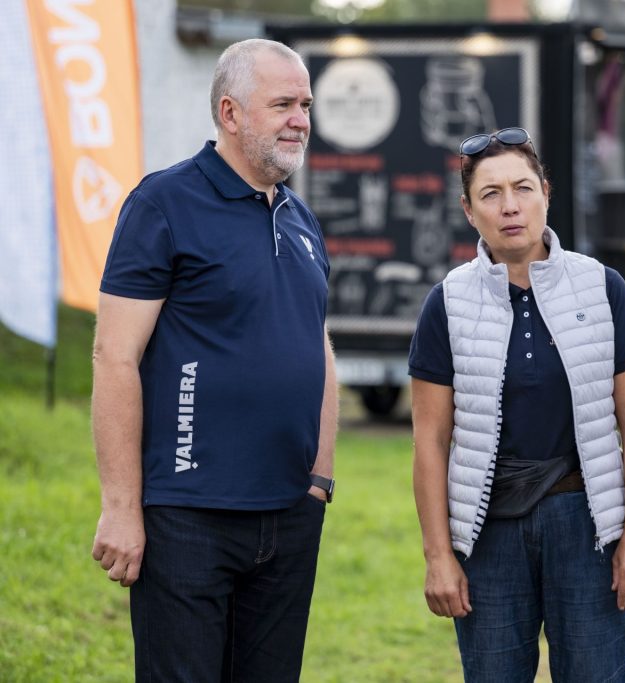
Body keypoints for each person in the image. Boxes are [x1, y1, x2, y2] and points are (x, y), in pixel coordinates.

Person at [90, 39, 337, 682]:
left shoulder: (302, 220)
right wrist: (122, 506)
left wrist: (318, 481)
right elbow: (114, 357)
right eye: (282, 104)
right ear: (230, 112)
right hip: (187, 516)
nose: (300, 120)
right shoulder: (163, 204)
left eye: (306, 105)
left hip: (288, 515)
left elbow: (317, 346)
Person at [409, 127, 625, 682]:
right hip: (489, 532)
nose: (510, 206)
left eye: (522, 188)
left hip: (588, 526)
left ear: (545, 192)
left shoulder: (603, 287)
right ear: (468, 210)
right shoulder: (447, 303)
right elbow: (430, 440)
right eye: (490, 194)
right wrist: (438, 555)